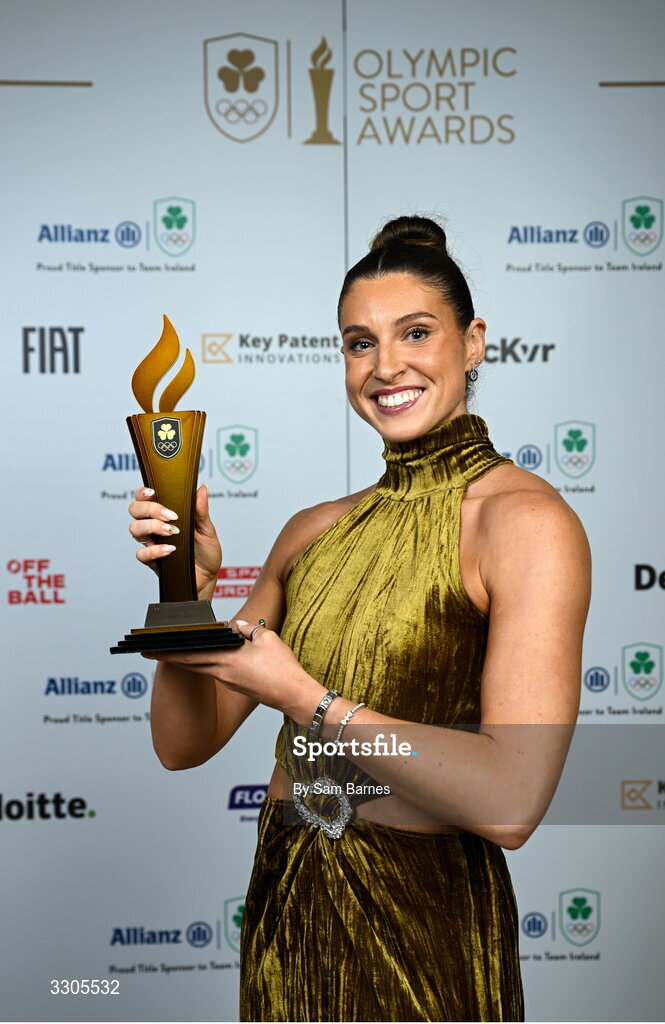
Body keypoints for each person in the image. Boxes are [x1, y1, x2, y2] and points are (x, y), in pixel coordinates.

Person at [128, 215, 591, 1022]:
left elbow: (513, 800)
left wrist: (308, 701)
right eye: (358, 342)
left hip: (425, 923)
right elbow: (183, 741)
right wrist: (183, 591)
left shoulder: (523, 523)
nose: (386, 366)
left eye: (415, 332)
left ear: (472, 341)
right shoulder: (312, 530)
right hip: (287, 911)